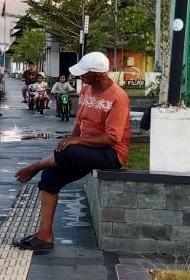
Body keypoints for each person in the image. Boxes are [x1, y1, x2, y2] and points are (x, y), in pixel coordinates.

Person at [13, 52, 130, 251]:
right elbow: (79, 123)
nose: (80, 77)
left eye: (84, 74)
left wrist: (75, 141)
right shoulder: (86, 90)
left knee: (70, 152)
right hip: (85, 150)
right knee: (50, 178)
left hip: (111, 153)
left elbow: (112, 138)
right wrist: (70, 139)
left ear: (98, 75)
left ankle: (36, 166)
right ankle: (45, 235)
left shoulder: (118, 97)